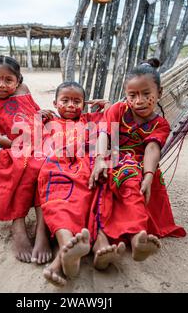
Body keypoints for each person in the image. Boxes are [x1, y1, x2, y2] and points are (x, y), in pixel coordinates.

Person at [89, 58, 186, 263]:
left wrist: (149, 175)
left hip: (140, 164)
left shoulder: (161, 124)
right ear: (126, 95)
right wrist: (99, 159)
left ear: (159, 93)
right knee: (100, 181)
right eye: (132, 95)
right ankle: (123, 235)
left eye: (146, 94)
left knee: (134, 179)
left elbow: (152, 148)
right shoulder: (118, 109)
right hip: (111, 156)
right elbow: (105, 133)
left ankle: (136, 237)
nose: (139, 101)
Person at [37, 82, 124, 287]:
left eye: (76, 101)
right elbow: (28, 135)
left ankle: (68, 252)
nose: (70, 105)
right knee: (57, 200)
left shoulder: (89, 119)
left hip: (84, 166)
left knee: (86, 199)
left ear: (84, 105)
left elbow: (112, 119)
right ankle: (67, 244)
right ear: (55, 103)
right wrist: (37, 117)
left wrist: (109, 105)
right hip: (56, 167)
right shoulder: (49, 123)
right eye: (65, 100)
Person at [0, 55, 53, 264]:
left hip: (41, 139)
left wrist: (40, 114)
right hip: (15, 146)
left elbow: (31, 111)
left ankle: (42, 230)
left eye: (9, 80)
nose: (1, 84)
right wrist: (4, 140)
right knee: (26, 170)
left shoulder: (23, 91)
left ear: (18, 81)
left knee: (50, 168)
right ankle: (18, 227)